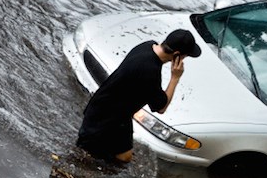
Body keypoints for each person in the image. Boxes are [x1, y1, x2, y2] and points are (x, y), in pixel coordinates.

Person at [76, 29, 201, 163]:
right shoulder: (150, 72)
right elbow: (161, 108)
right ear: (177, 54)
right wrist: (175, 78)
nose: (183, 60)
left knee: (124, 158)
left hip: (117, 114)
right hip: (103, 119)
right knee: (82, 158)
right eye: (184, 56)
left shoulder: (147, 46)